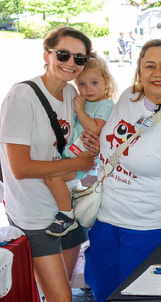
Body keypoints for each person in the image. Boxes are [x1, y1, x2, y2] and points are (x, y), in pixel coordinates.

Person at [0, 26, 98, 302]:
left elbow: (73, 146)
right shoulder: (22, 96)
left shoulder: (72, 95)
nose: (71, 64)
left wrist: (85, 151)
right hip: (35, 215)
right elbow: (20, 167)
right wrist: (74, 164)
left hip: (66, 205)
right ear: (46, 53)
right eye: (64, 55)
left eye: (79, 58)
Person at [85, 40, 161, 302]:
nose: (157, 73)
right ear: (139, 71)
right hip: (104, 222)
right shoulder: (129, 97)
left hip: (146, 233)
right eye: (149, 66)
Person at [42, 55, 117, 237]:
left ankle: (66, 215)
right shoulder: (82, 101)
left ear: (106, 82)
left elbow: (95, 127)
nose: (88, 89)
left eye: (94, 83)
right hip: (72, 155)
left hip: (84, 160)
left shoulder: (105, 104)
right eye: (82, 84)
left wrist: (80, 111)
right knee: (50, 177)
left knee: (52, 177)